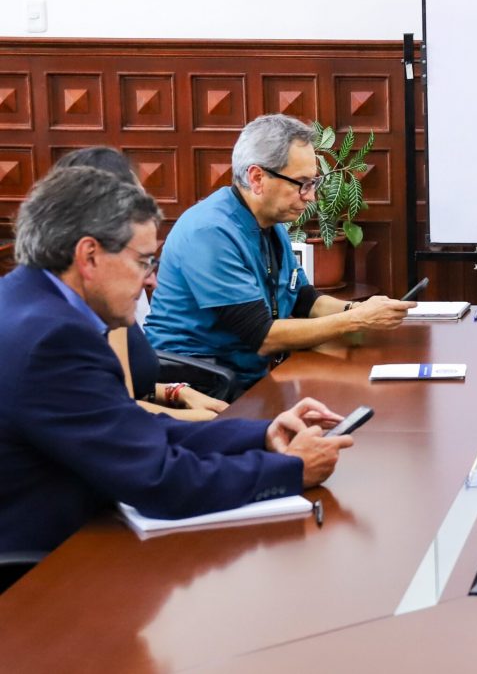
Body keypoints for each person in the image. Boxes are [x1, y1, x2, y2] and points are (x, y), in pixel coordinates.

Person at [0, 167, 355, 557]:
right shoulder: (53, 340)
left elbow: (132, 430)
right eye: (144, 262)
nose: (151, 281)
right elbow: (158, 480)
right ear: (89, 256)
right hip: (46, 569)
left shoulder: (24, 303)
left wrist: (262, 435)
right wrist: (292, 470)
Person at [145, 114, 414, 393]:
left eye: (313, 183)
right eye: (301, 183)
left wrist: (357, 309)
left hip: (245, 375)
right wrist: (356, 320)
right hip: (198, 381)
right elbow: (262, 336)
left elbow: (304, 299)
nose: (311, 196)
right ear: (257, 178)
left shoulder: (269, 224)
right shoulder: (210, 231)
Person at [53, 146, 228, 420]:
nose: (151, 280)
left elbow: (124, 389)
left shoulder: (105, 295)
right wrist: (213, 422)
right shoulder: (72, 313)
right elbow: (117, 412)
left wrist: (176, 391)